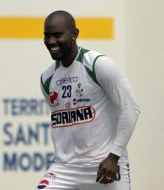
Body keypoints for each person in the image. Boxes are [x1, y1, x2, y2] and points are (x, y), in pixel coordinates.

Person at [37, 10, 140, 190]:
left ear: (75, 34)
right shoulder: (47, 78)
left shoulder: (98, 65)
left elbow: (131, 109)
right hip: (65, 169)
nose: (51, 41)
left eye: (57, 35)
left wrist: (114, 156)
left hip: (105, 165)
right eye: (47, 36)